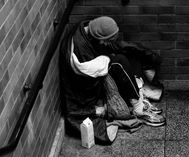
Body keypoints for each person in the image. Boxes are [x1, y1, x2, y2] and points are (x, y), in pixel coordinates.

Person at [59, 16, 165, 145]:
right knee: (119, 62)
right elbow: (83, 87)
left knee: (122, 57)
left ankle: (137, 102)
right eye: (106, 41)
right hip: (86, 85)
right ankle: (138, 108)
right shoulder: (81, 52)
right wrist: (94, 110)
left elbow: (118, 45)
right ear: (99, 37)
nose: (106, 44)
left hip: (92, 74)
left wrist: (149, 57)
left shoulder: (88, 27)